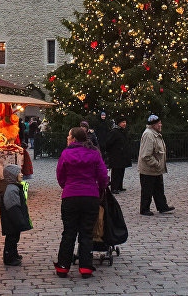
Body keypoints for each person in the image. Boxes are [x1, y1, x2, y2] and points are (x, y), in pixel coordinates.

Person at [55, 126, 108, 279]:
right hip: (90, 196)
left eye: (68, 136)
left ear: (74, 139)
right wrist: (100, 189)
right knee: (86, 233)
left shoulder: (66, 153)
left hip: (70, 197)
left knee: (69, 232)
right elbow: (103, 176)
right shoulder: (94, 154)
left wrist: (67, 187)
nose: (67, 138)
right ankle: (85, 267)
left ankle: (63, 267)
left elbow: (60, 175)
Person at [138, 114, 174, 215]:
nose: (161, 125)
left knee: (158, 189)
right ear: (154, 125)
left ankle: (162, 206)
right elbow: (146, 155)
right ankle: (144, 209)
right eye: (159, 123)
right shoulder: (149, 135)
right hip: (149, 169)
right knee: (147, 190)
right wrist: (157, 164)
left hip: (155, 169)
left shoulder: (154, 133)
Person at [0, 164, 31, 266]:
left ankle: (14, 254)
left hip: (12, 220)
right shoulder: (11, 189)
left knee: (14, 238)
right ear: (13, 175)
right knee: (11, 239)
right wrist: (19, 221)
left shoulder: (14, 187)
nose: (22, 174)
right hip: (12, 220)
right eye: (19, 173)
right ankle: (9, 257)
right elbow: (13, 207)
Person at [105, 116, 132, 193]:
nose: (124, 124)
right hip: (116, 155)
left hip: (122, 155)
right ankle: (114, 187)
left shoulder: (122, 131)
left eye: (125, 122)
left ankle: (119, 186)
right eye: (123, 122)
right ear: (119, 123)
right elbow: (108, 143)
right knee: (116, 172)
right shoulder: (114, 132)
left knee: (121, 171)